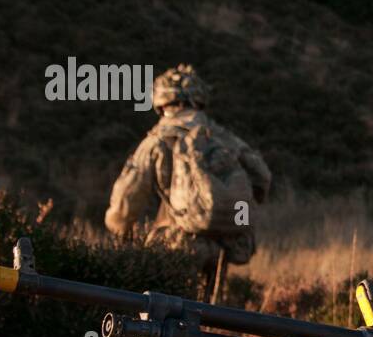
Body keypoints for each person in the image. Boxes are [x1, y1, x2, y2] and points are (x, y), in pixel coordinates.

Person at [105, 64, 272, 302]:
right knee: (212, 321)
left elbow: (126, 200)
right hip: (225, 246)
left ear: (161, 102)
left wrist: (120, 233)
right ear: (200, 99)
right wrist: (231, 209)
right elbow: (262, 177)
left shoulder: (158, 140)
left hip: (178, 244)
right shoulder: (222, 137)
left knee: (170, 318)